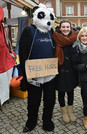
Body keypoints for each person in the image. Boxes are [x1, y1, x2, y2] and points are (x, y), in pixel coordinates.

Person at [19, 4, 57, 132]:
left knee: (50, 100)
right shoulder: (29, 30)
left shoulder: (52, 31)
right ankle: (31, 122)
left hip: (50, 74)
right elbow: (23, 53)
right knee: (33, 101)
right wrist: (24, 75)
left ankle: (47, 121)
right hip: (34, 74)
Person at [53, 20, 78, 123]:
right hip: (60, 69)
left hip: (71, 69)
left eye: (67, 27)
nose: (65, 29)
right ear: (60, 28)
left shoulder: (75, 38)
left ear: (70, 28)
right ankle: (64, 112)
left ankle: (70, 111)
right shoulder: (55, 37)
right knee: (61, 91)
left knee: (71, 91)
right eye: (63, 27)